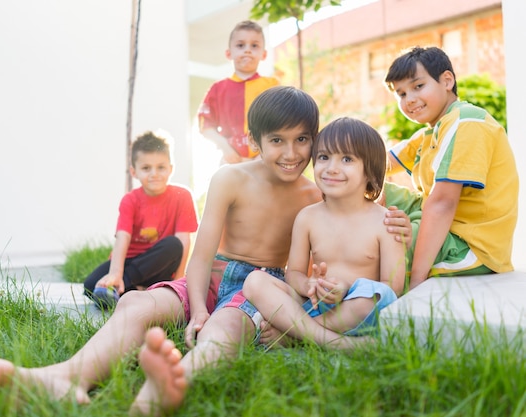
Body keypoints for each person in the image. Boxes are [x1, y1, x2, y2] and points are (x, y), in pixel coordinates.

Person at [0, 87, 412, 416]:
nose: (291, 153)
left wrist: (395, 222)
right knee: (137, 301)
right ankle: (65, 377)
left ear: (315, 140)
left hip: (261, 287)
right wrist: (195, 308)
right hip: (213, 276)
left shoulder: (316, 196)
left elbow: (364, 200)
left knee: (225, 327)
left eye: (302, 140)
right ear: (254, 140)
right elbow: (201, 253)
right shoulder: (230, 179)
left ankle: (172, 385)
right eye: (277, 140)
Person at [243, 117, 406, 348]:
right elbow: (294, 274)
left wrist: (346, 288)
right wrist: (311, 286)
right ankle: (332, 342)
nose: (332, 168)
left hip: (358, 310)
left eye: (347, 159)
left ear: (370, 171)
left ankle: (295, 334)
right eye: (324, 157)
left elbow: (393, 286)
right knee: (255, 281)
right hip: (315, 303)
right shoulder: (308, 217)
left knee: (374, 296)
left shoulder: (385, 221)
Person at [382, 46, 518, 290]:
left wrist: (417, 284)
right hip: (445, 228)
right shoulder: (431, 131)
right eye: (401, 94)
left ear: (446, 81)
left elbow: (443, 203)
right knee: (356, 185)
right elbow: (374, 164)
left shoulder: (467, 121)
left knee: (379, 242)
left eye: (418, 86)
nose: (409, 99)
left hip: (469, 245)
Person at [83, 130, 198, 309]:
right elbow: (123, 237)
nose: (154, 174)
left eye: (161, 167)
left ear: (171, 168)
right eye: (146, 168)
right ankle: (137, 289)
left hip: (160, 264)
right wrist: (115, 272)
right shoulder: (130, 200)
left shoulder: (182, 196)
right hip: (131, 260)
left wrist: (179, 281)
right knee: (90, 285)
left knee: (173, 245)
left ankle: (122, 287)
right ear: (134, 171)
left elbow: (184, 240)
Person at [197, 20, 279, 164]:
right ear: (228, 53)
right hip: (231, 158)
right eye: (240, 45)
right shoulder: (218, 89)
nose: (247, 50)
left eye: (254, 45)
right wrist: (225, 148)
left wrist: (265, 153)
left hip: (264, 158)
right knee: (222, 182)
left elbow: (282, 123)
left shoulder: (272, 86)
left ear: (264, 54)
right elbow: (206, 126)